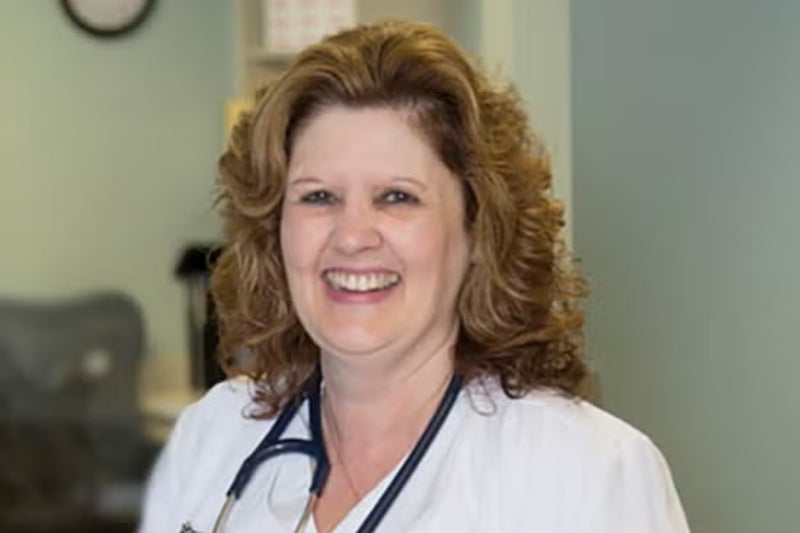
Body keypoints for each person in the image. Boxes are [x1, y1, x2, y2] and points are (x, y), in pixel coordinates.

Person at [139, 20, 690, 533]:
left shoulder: (587, 473)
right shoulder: (214, 434)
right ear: (274, 229)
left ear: (478, 232)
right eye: (319, 197)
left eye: (397, 197)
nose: (352, 236)